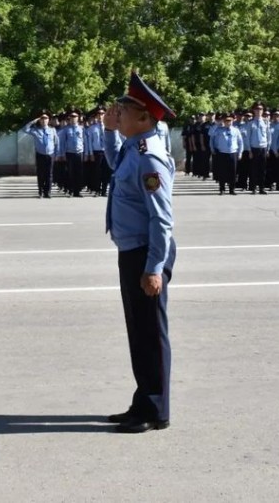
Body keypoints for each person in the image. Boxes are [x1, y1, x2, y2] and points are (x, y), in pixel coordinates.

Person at [102, 71, 176, 434]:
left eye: (124, 111)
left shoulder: (150, 158)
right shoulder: (133, 148)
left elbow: (162, 219)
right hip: (133, 249)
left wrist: (154, 269)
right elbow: (113, 166)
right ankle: (142, 400)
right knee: (138, 329)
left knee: (150, 332)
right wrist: (107, 132)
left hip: (147, 252)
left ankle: (156, 409)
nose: (118, 115)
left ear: (145, 117)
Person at [26, 111, 58, 198]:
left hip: (50, 154)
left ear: (48, 120)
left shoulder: (52, 130)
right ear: (40, 120)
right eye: (42, 118)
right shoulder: (36, 130)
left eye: (46, 118)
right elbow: (25, 129)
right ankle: (40, 192)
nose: (44, 120)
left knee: (49, 174)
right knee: (40, 174)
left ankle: (48, 192)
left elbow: (56, 142)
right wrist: (34, 121)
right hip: (40, 154)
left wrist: (57, 154)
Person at [211, 112, 243, 195]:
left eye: (230, 120)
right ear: (224, 121)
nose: (228, 122)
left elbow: (240, 142)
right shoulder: (218, 130)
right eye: (226, 120)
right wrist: (217, 124)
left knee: (233, 172)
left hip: (233, 153)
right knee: (222, 171)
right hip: (222, 153)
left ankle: (232, 189)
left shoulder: (236, 130)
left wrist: (240, 153)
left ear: (232, 121)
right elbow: (211, 137)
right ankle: (222, 189)